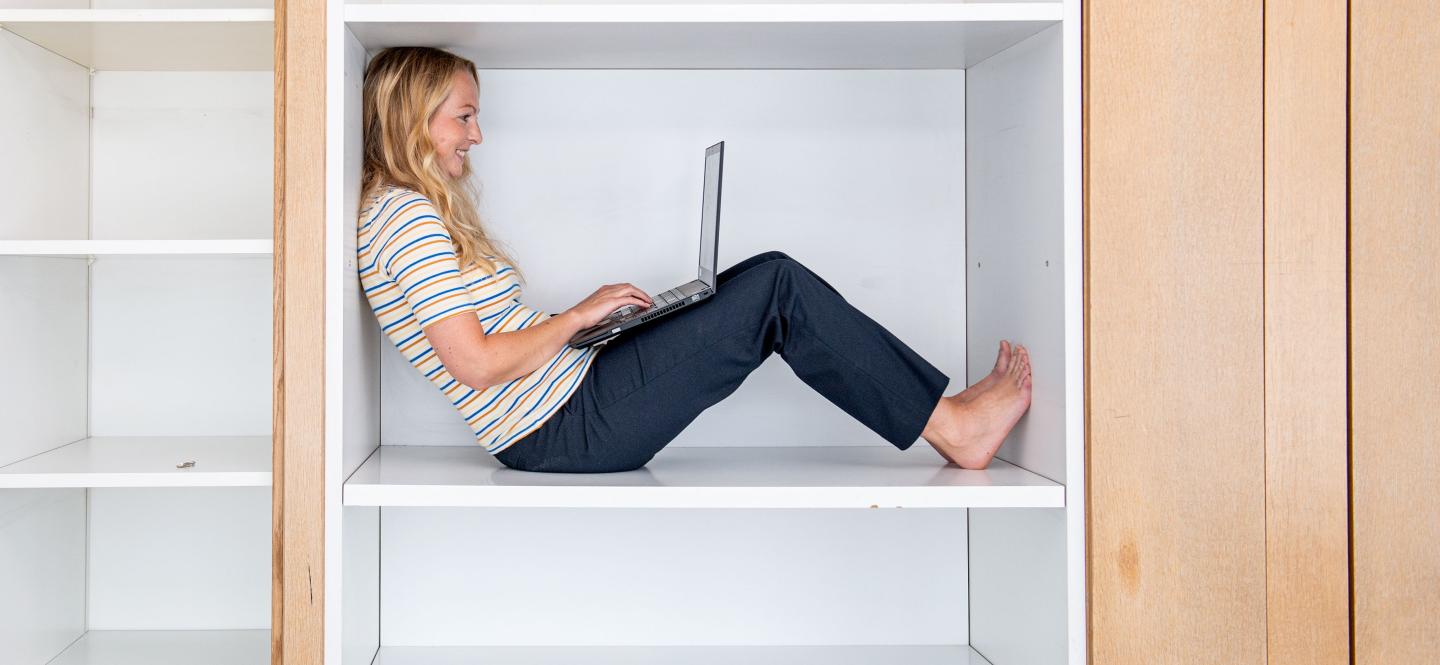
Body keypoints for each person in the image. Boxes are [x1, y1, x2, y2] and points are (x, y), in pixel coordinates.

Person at [356, 46, 1033, 474]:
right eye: (464, 117)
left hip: (570, 401)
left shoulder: (400, 209)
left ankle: (938, 410)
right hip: (565, 427)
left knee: (767, 274)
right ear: (416, 118)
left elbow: (481, 339)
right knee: (776, 288)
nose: (478, 134)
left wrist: (586, 322)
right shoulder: (408, 216)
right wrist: (576, 318)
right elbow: (472, 363)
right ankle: (951, 426)